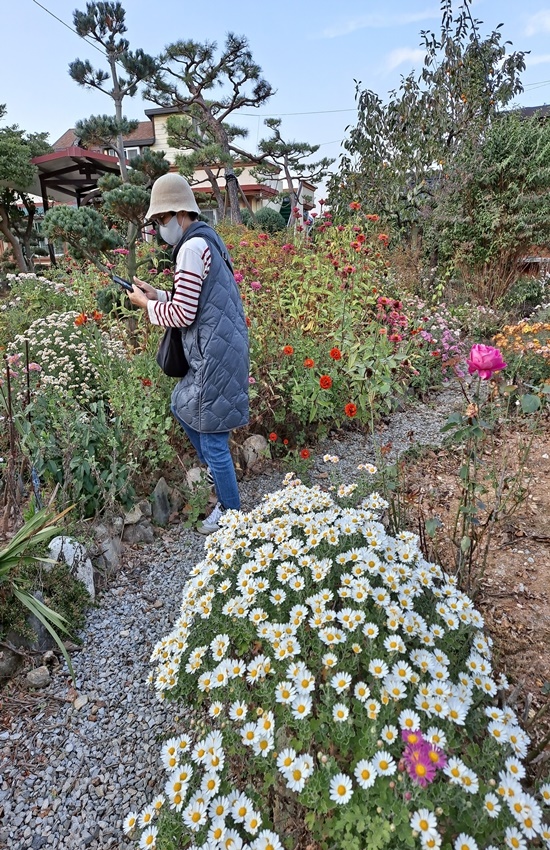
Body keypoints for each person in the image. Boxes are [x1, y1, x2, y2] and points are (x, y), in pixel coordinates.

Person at [128, 173, 249, 534]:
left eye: (161, 220)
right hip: (221, 346)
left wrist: (145, 307)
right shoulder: (206, 238)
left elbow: (183, 314)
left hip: (214, 353)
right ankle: (219, 475)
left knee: (211, 437)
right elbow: (190, 300)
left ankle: (232, 514)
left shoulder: (191, 248)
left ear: (179, 213)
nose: (160, 227)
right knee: (182, 405)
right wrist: (157, 295)